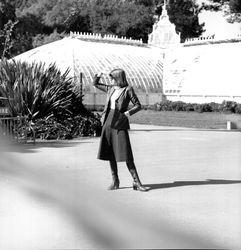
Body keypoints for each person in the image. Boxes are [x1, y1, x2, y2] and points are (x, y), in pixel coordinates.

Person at [93, 68, 148, 192]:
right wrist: (98, 75)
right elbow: (95, 84)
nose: (110, 80)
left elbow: (138, 105)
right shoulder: (110, 89)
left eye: (112, 78)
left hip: (120, 121)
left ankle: (136, 182)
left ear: (118, 78)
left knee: (126, 153)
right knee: (110, 152)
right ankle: (115, 181)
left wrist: (127, 114)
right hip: (107, 121)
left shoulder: (128, 89)